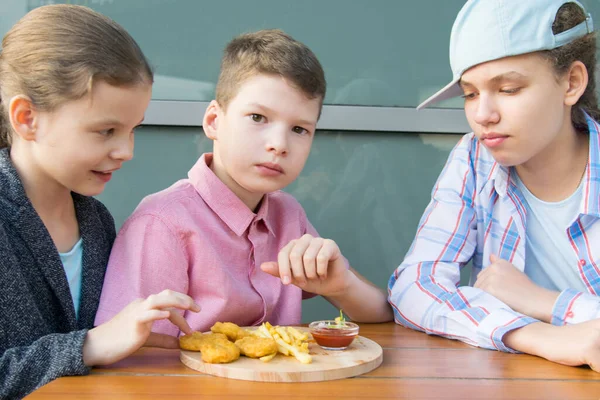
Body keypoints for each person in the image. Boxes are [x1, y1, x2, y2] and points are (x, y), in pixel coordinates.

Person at [95, 29, 393, 336]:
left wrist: (340, 285)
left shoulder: (288, 214)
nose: (279, 144)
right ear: (214, 121)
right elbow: (132, 353)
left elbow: (379, 313)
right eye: (257, 117)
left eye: (300, 129)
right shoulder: (162, 222)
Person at [0, 5, 200, 398]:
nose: (126, 151)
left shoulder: (96, 221)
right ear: (26, 118)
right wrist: (90, 344)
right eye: (106, 130)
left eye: (132, 130)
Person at [389, 0, 600, 371]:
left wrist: (543, 301)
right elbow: (414, 285)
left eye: (509, 89)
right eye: (470, 94)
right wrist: (536, 335)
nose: (483, 115)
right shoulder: (475, 157)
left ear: (572, 82)